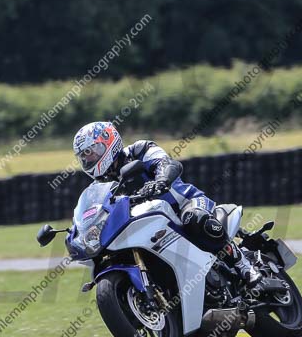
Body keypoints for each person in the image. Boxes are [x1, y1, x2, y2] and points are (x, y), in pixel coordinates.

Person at [72, 121, 264, 289]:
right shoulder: (100, 187)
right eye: (83, 156)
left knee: (195, 220)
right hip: (149, 225)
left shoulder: (139, 150)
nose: (87, 159)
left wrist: (161, 180)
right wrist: (78, 230)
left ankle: (245, 267)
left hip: (183, 205)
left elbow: (167, 163)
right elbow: (96, 211)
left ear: (108, 141)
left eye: (90, 152)